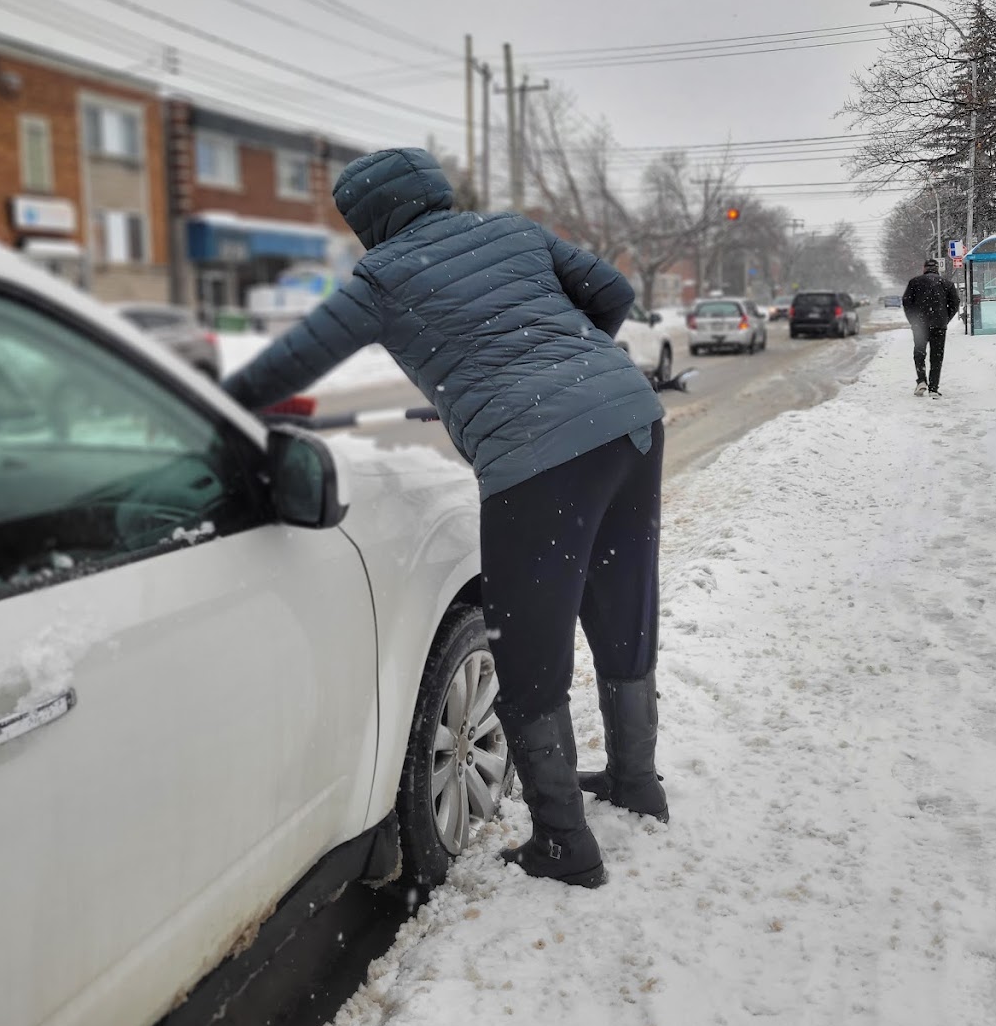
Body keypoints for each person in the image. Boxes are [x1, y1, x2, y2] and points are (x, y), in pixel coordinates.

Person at [222, 147, 669, 889]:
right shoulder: (514, 232)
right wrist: (570, 361)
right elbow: (613, 292)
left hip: (536, 456)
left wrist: (215, 403)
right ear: (434, 190)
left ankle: (564, 842)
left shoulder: (382, 276)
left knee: (528, 648)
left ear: (367, 221)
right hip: (629, 419)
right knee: (625, 608)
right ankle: (637, 783)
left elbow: (292, 362)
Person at [902, 258, 960, 398]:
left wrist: (913, 320)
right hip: (939, 325)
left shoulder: (914, 282)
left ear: (924, 268)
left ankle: (921, 380)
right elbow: (955, 303)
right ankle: (933, 387)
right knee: (937, 356)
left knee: (919, 352)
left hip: (920, 325)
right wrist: (945, 319)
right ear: (937, 269)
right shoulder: (947, 284)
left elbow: (906, 302)